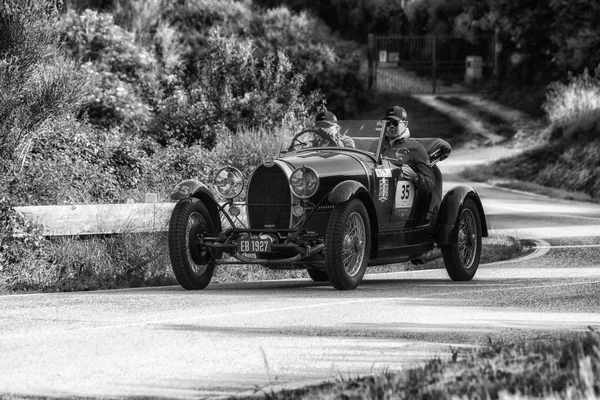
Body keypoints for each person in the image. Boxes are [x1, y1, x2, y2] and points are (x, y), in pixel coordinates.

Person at [381, 105, 434, 193]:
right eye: (388, 122)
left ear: (405, 124)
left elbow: (431, 183)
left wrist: (416, 177)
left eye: (395, 123)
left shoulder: (417, 148)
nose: (391, 126)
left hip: (399, 201)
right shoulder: (376, 144)